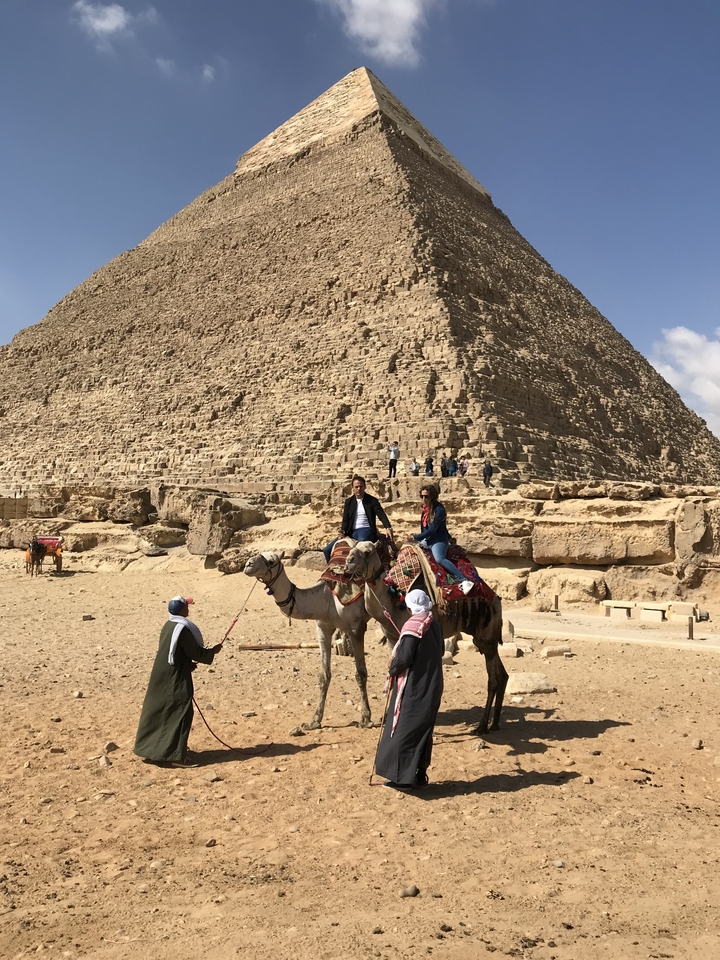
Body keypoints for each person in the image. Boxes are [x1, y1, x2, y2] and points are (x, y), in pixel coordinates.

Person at [134, 596, 222, 767]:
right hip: (174, 679)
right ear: (182, 610)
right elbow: (195, 652)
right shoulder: (182, 629)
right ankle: (176, 757)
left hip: (163, 675)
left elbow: (174, 652)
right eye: (186, 607)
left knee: (161, 712)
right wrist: (212, 652)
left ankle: (156, 750)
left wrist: (187, 664)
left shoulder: (168, 626)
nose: (188, 609)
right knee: (181, 713)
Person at [375, 589, 444, 790]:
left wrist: (392, 666)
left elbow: (404, 658)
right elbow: (439, 650)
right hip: (433, 683)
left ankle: (401, 779)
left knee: (404, 729)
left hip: (415, 686)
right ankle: (420, 775)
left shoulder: (413, 627)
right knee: (423, 730)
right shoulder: (434, 625)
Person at [413, 485, 474, 595]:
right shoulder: (425, 510)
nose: (423, 499)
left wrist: (416, 537)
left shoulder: (439, 510)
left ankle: (463, 580)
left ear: (432, 496)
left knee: (439, 559)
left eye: (426, 497)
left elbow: (432, 529)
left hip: (438, 541)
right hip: (428, 540)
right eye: (421, 496)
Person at [323, 475, 394, 563]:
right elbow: (345, 520)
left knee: (359, 548)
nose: (359, 489)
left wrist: (388, 527)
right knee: (326, 550)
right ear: (352, 488)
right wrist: (342, 531)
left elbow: (381, 515)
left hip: (366, 530)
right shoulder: (349, 502)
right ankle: (333, 572)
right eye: (356, 487)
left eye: (361, 486)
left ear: (365, 487)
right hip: (351, 532)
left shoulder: (372, 501)